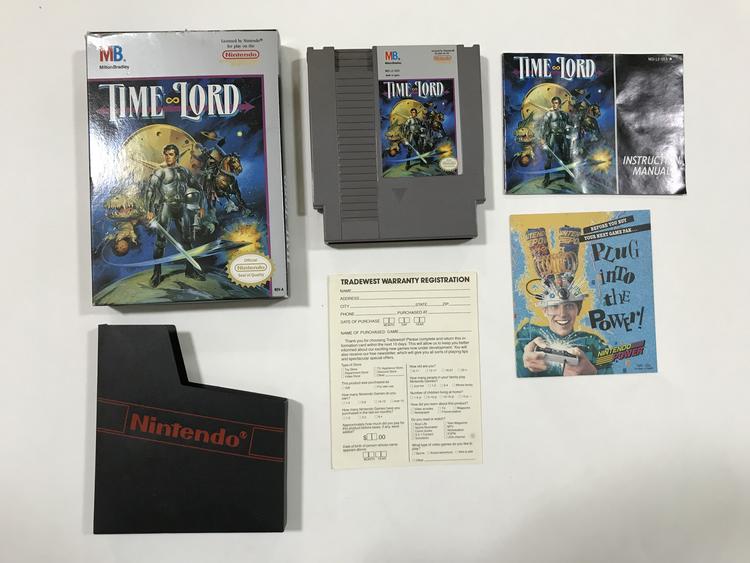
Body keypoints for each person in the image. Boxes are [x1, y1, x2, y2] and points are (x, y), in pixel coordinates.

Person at [145, 144, 205, 286]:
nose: (167, 157)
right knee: (160, 242)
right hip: (166, 207)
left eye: (170, 154)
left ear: (176, 156)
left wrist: (201, 206)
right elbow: (150, 189)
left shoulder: (184, 172)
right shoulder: (161, 172)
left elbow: (199, 187)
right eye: (166, 154)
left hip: (182, 207)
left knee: (187, 240)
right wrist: (149, 210)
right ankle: (157, 274)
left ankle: (190, 271)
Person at [515, 295, 611, 377]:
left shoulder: (595, 344)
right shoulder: (527, 338)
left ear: (578, 309)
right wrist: (525, 365)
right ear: (545, 310)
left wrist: (592, 373)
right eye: (554, 306)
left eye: (569, 306)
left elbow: (613, 378)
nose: (562, 314)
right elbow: (515, 378)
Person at [540, 96, 570, 187]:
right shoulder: (549, 114)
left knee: (565, 156)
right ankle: (546, 179)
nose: (554, 104)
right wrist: (542, 138)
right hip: (552, 135)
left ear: (560, 104)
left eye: (556, 103)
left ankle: (567, 176)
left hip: (562, 136)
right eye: (553, 103)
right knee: (549, 157)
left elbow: (569, 124)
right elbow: (543, 126)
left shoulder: (564, 114)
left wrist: (569, 131)